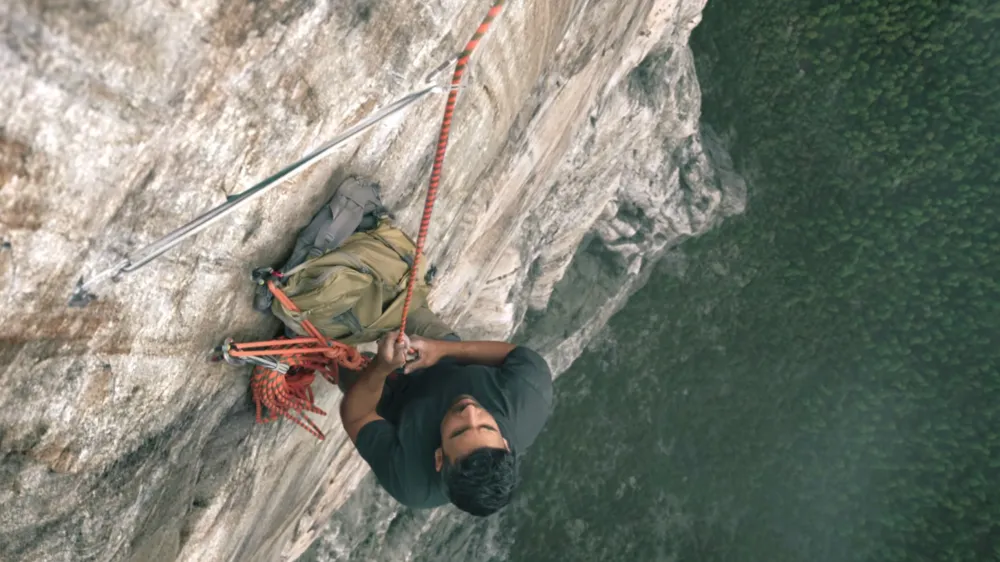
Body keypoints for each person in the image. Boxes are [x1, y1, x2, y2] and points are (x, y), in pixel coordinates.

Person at [337, 319, 553, 517]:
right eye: (487, 427)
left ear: (439, 458)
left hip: (391, 403)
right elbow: (513, 356)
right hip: (445, 363)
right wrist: (443, 350)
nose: (470, 411)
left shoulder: (413, 483)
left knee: (341, 362)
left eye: (459, 431)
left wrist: (381, 368)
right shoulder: (529, 393)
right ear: (505, 443)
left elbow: (358, 416)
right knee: (399, 304)